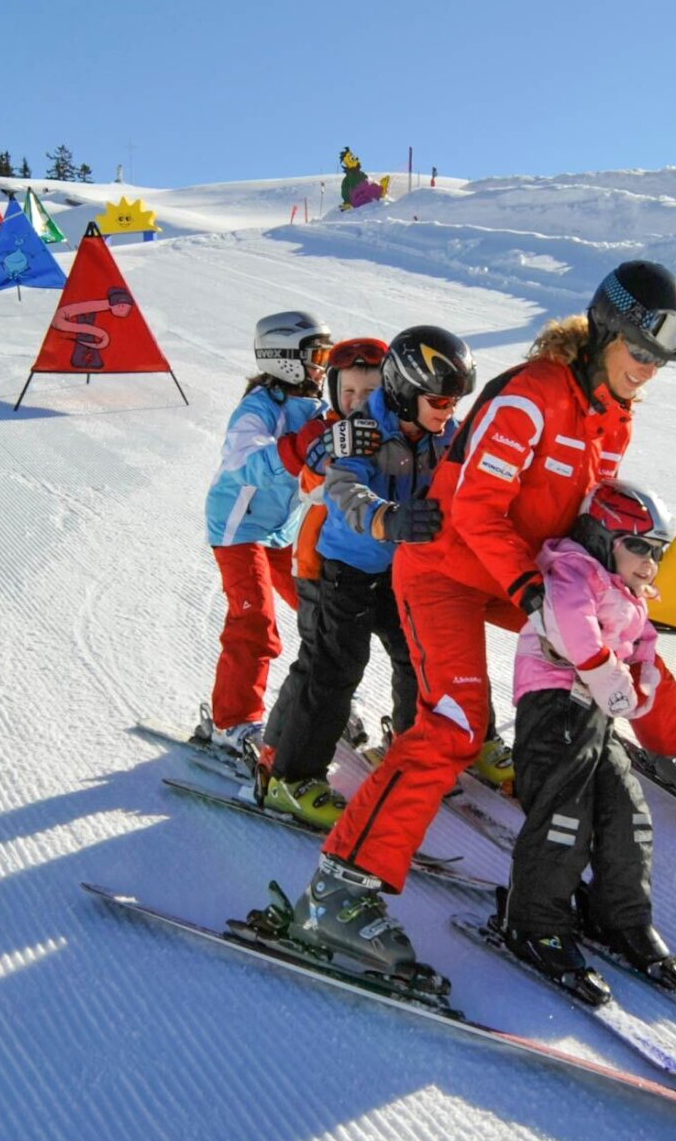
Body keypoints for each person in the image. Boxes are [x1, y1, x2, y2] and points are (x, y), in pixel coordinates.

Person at [291, 260, 676, 977]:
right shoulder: (530, 397)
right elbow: (476, 508)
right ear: (607, 331)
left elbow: (581, 515)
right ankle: (338, 888)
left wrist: (609, 579)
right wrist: (536, 593)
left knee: (617, 634)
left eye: (659, 361)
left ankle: (675, 757)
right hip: (451, 568)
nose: (648, 370)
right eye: (640, 353)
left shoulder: (613, 416)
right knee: (452, 720)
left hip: (524, 571)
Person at [260, 326, 472, 827]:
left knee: (417, 658)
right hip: (345, 568)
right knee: (336, 666)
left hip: (399, 569)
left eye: (455, 400)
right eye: (440, 399)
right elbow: (343, 486)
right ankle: (292, 778)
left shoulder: (442, 432)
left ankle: (409, 746)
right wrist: (385, 518)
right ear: (406, 390)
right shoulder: (364, 429)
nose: (448, 409)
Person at [501, 479, 676, 995]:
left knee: (627, 814)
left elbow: (642, 642)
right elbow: (572, 625)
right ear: (601, 536)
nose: (650, 563)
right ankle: (535, 923)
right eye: (639, 547)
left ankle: (619, 915)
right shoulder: (573, 570)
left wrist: (644, 674)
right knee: (564, 811)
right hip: (555, 701)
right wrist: (604, 671)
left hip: (595, 710)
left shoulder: (628, 594)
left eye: (658, 553)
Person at [200, 311, 333, 753]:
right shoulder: (258, 407)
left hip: (282, 530)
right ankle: (231, 722)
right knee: (254, 621)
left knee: (324, 610)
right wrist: (296, 448)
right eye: (316, 356)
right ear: (284, 358)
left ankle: (321, 699)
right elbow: (242, 461)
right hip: (239, 528)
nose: (322, 366)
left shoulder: (317, 406)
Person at [269, 337, 390, 760]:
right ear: (335, 391)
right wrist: (326, 458)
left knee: (346, 658)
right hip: (318, 567)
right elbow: (307, 484)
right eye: (349, 392)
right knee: (317, 660)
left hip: (370, 567)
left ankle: (331, 718)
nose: (358, 402)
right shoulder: (325, 430)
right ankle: (275, 745)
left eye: (370, 392)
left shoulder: (391, 429)